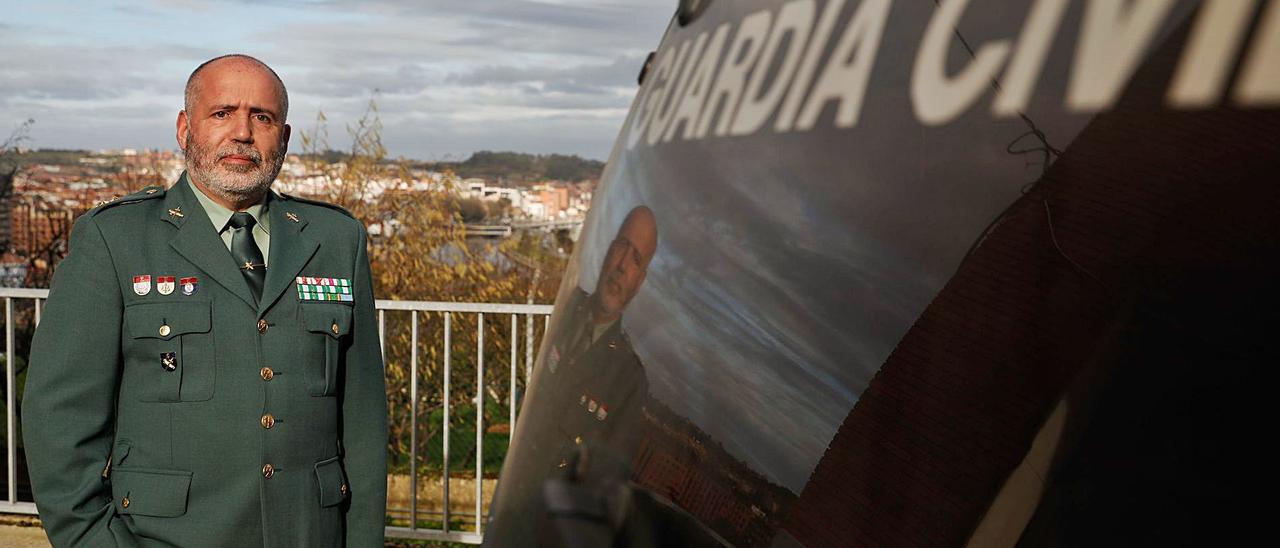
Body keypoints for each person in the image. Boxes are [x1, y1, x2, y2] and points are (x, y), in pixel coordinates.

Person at [21, 54, 387, 547]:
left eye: (263, 117)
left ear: (284, 136)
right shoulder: (116, 239)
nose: (243, 132)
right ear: (184, 128)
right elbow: (59, 418)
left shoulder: (336, 239)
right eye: (222, 113)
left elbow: (363, 422)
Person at [542, 205, 659, 468]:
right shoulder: (565, 311)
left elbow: (606, 474)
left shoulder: (629, 378)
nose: (621, 266)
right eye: (621, 247)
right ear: (608, 251)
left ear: (639, 282)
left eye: (636, 260)